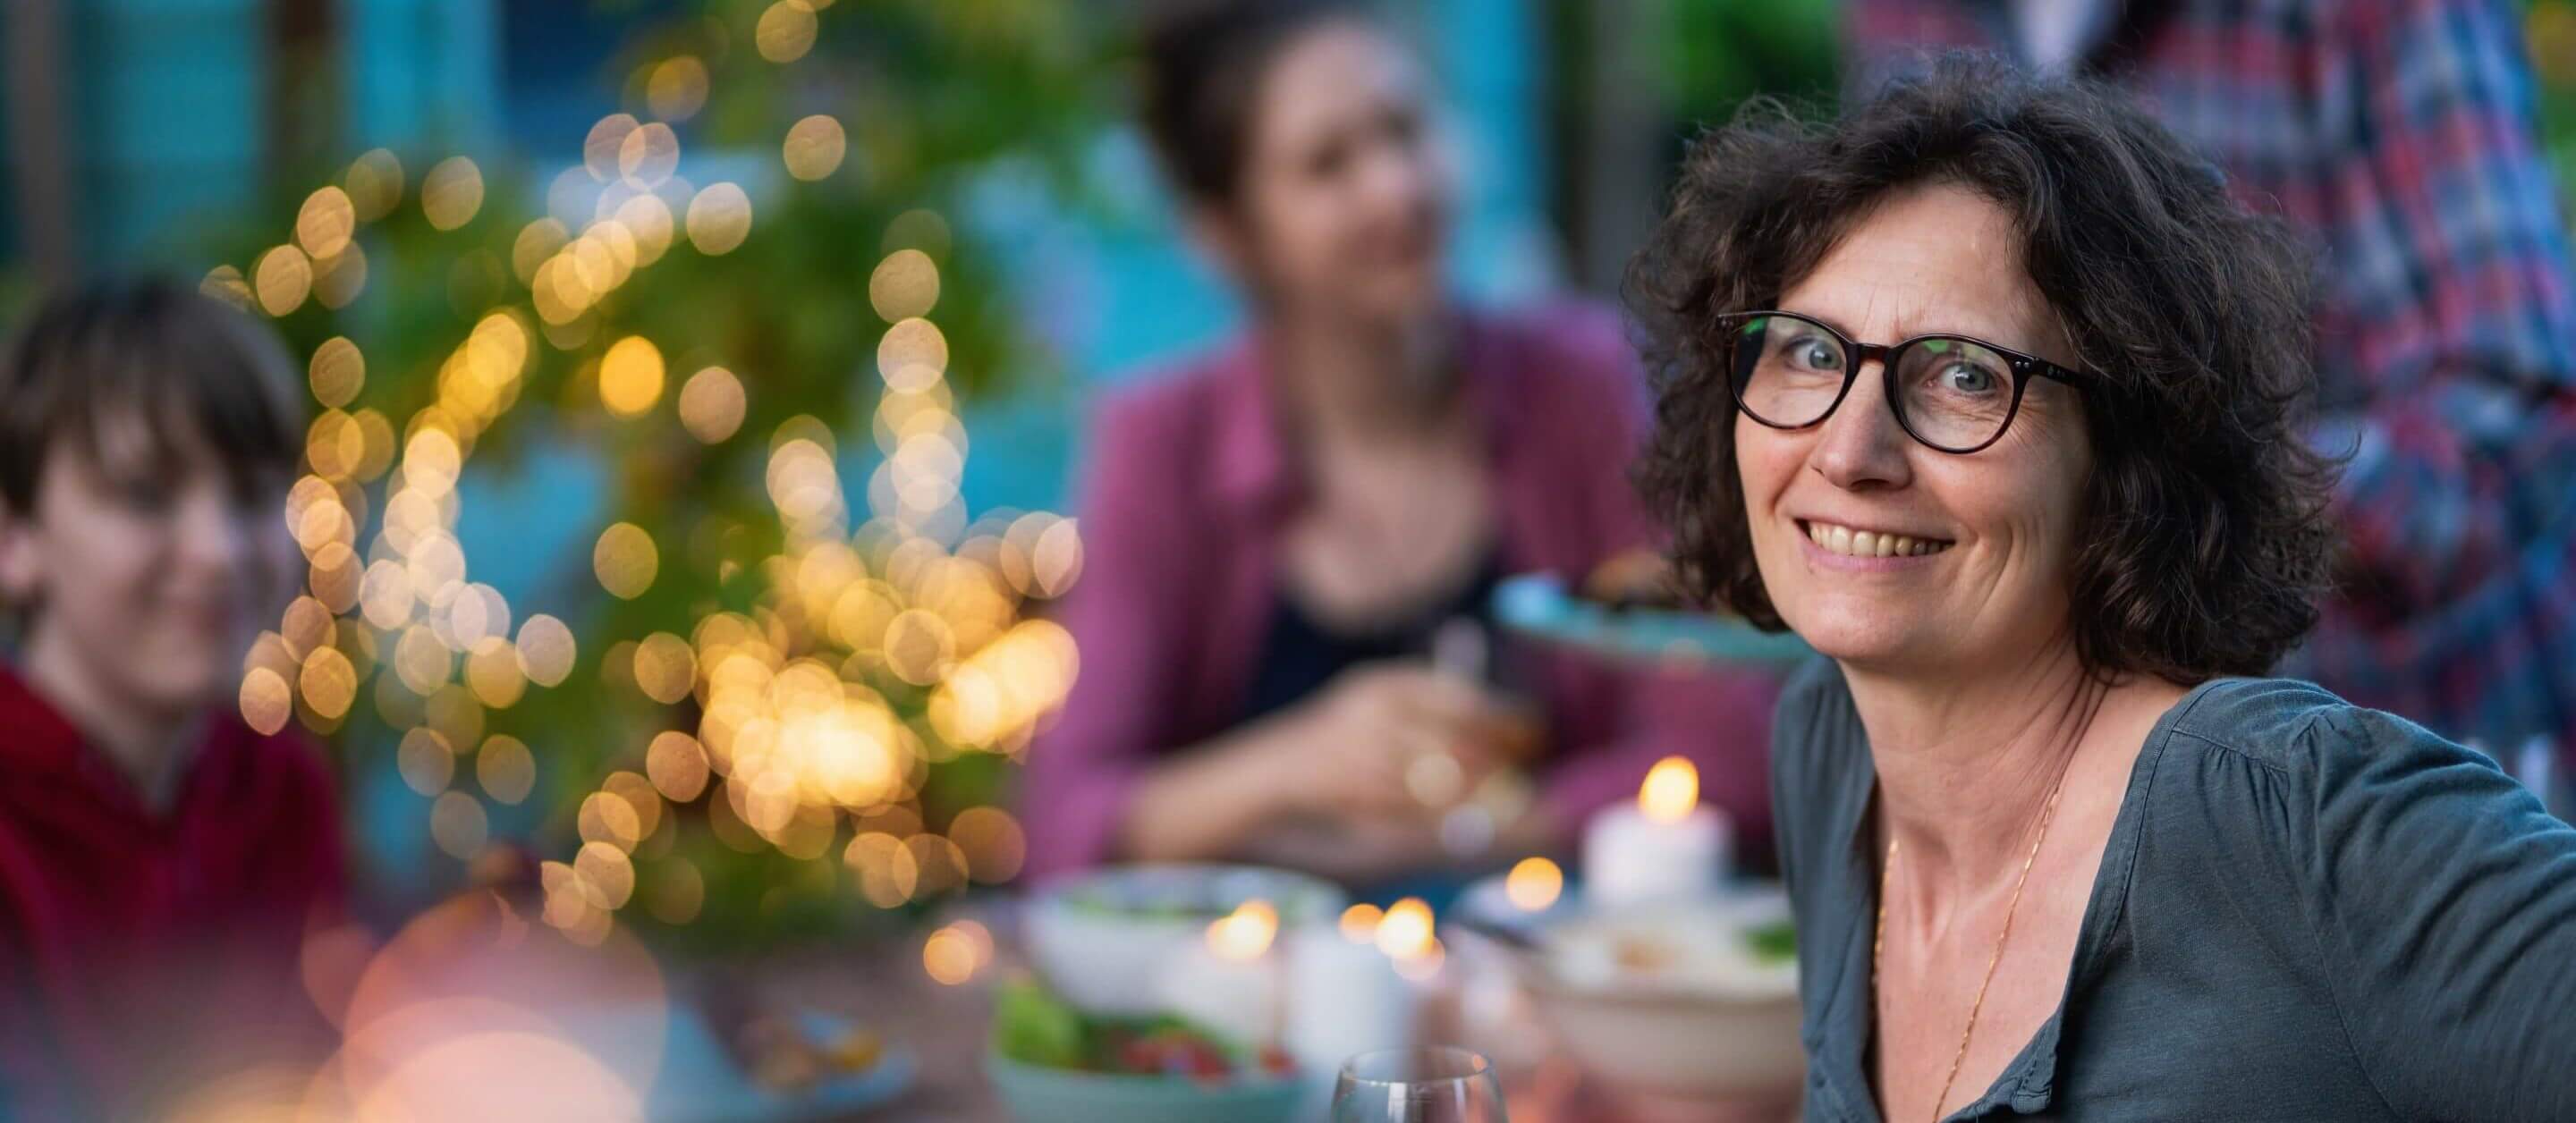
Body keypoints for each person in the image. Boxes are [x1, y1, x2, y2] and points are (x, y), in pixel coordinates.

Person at [1629, 56, 2576, 1120]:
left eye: (1964, 375)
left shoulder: (2289, 810)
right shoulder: (1833, 744)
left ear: (2124, 456)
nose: (1852, 452)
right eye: (1808, 351)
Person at [1016, 0, 1776, 888]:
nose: (1397, 187)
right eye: (1328, 163)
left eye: (1405, 129)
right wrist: (1296, 760)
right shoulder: (1162, 439)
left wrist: (1462, 835)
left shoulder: (1580, 385)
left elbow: (1732, 752)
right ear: (1227, 234)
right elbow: (1061, 824)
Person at [1843, 0, 2576, 782]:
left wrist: (2169, 496)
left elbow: (2516, 422)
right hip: (2027, 784)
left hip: (2393, 781)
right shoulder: (1904, 13)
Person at [0, 279, 347, 1117]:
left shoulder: (284, 790)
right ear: (14, 539)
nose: (219, 551)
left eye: (254, 495)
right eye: (147, 496)